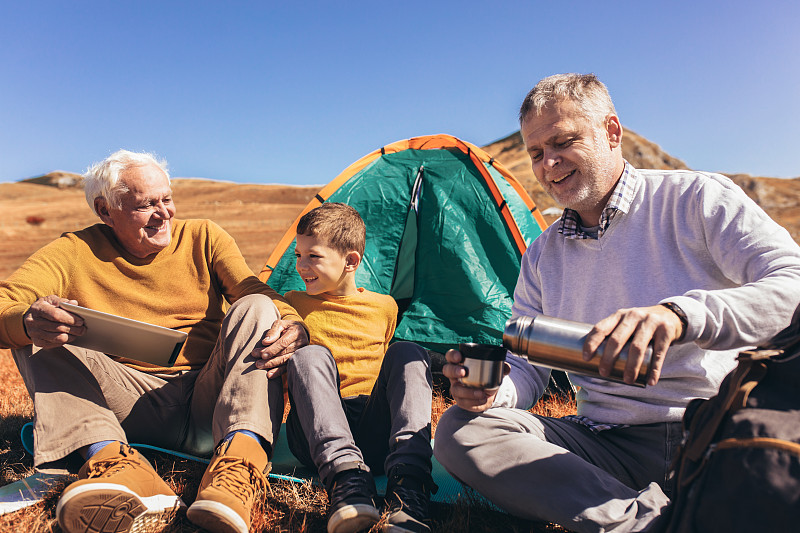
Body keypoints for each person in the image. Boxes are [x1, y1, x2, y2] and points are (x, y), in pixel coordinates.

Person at [433, 73, 800, 532]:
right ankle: (658, 521)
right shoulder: (543, 254)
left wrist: (682, 315)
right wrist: (493, 393)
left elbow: (793, 283)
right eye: (536, 153)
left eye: (563, 142)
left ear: (611, 132)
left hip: (708, 426)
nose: (549, 164)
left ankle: (641, 516)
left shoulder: (694, 198)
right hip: (602, 444)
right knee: (458, 430)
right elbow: (526, 369)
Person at [0, 150, 309, 533]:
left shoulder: (204, 236)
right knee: (36, 329)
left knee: (258, 306)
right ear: (105, 210)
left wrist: (294, 323)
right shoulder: (73, 251)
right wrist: (28, 321)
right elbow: (5, 304)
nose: (164, 213)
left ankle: (238, 469)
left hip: (208, 401)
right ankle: (115, 465)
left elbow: (249, 286)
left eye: (166, 199)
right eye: (146, 204)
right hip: (127, 406)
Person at [283, 203, 435, 533]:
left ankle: (409, 484)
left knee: (408, 351)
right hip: (315, 433)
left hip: (373, 428)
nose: (300, 265)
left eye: (313, 256)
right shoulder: (291, 304)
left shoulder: (385, 307)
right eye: (298, 255)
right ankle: (346, 484)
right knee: (309, 356)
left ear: (350, 261)